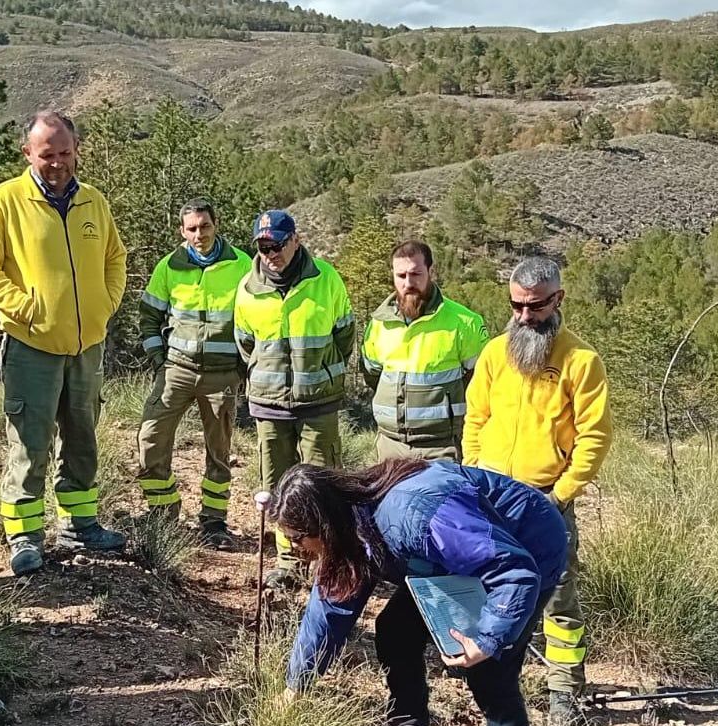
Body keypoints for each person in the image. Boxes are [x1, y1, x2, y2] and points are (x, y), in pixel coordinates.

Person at [272, 459, 568, 726]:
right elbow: (328, 612)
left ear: (322, 523)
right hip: (460, 559)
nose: (295, 550)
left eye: (297, 538)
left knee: (490, 670)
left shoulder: (413, 514)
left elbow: (513, 571)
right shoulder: (353, 528)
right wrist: (297, 684)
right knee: (395, 631)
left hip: (527, 547)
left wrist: (488, 638)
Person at [0, 111, 128, 575]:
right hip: (30, 345)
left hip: (86, 344)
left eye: (64, 153)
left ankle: (79, 524)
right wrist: (24, 306)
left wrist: (105, 304)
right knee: (30, 443)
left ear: (76, 149)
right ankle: (24, 537)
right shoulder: (5, 201)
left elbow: (115, 257)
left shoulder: (93, 202)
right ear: (28, 153)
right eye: (47, 155)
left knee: (82, 437)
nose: (57, 163)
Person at [462, 256, 611, 726]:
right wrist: (472, 474)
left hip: (547, 500)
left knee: (559, 595)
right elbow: (476, 419)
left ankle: (565, 690)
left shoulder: (581, 361)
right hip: (492, 497)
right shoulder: (493, 353)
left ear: (558, 299)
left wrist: (560, 495)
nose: (524, 316)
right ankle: (496, 676)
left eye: (536, 307)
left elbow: (595, 436)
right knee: (490, 589)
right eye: (517, 306)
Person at [234, 210, 354, 588]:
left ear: (295, 241)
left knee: (322, 482)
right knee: (277, 484)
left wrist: (319, 372)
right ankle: (288, 560)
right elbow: (245, 343)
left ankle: (325, 560)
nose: (271, 252)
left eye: (278, 244)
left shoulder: (325, 279)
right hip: (270, 404)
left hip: (318, 400)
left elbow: (344, 335)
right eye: (264, 246)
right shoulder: (248, 289)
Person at [135, 198, 252, 546]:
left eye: (205, 226)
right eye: (191, 228)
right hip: (177, 371)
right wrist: (159, 360)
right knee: (150, 437)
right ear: (181, 231)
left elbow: (255, 320)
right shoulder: (170, 266)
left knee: (219, 451)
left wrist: (243, 368)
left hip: (222, 376)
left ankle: (214, 523)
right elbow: (149, 317)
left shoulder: (242, 264)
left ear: (216, 226)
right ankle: (163, 512)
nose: (198, 234)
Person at [360, 239, 487, 462]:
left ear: (431, 271)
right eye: (401, 276)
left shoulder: (465, 323)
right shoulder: (379, 323)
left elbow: (482, 383)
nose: (408, 282)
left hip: (441, 449)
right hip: (390, 446)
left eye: (416, 274)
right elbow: (373, 375)